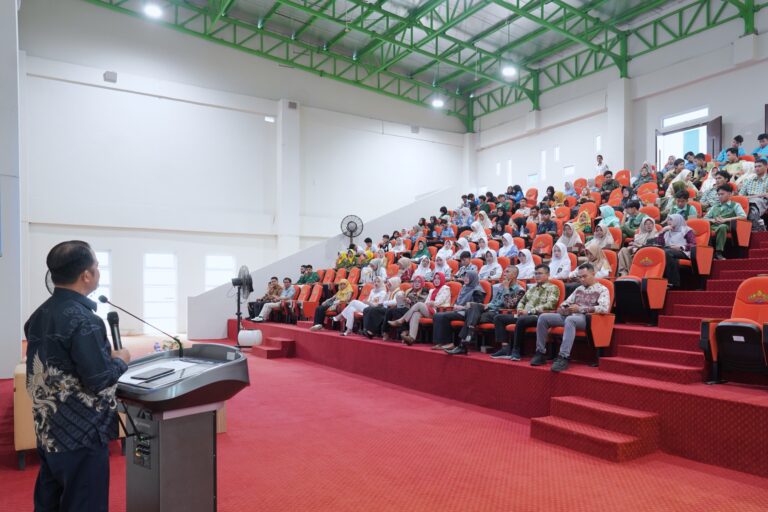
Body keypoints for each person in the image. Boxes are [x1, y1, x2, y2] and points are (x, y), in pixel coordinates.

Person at [25, 241, 131, 512]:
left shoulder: (38, 315)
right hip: (82, 434)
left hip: (49, 431)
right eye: (96, 267)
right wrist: (120, 361)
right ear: (86, 275)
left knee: (50, 502)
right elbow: (98, 379)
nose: (98, 272)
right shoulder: (85, 320)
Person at [532, 263, 610, 372]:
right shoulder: (578, 289)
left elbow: (604, 308)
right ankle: (540, 352)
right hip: (571, 315)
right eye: (580, 277)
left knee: (570, 320)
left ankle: (563, 356)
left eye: (584, 276)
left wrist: (581, 309)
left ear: (593, 274)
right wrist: (564, 308)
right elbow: (566, 303)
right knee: (543, 317)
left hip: (587, 319)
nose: (582, 279)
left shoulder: (602, 289)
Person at [491, 264, 560, 360]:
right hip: (524, 314)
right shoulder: (532, 288)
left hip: (538, 316)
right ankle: (505, 348)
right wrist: (520, 309)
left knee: (522, 319)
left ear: (548, 274)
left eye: (540, 273)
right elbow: (522, 301)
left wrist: (529, 311)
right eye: (536, 274)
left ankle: (516, 350)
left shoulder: (553, 288)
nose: (537, 276)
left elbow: (550, 305)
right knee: (498, 318)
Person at [454, 266, 525, 346]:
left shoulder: (520, 290)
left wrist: (506, 288)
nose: (504, 274)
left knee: (471, 314)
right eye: (504, 272)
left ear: (514, 275)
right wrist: (486, 305)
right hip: (490, 309)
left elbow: (509, 305)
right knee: (473, 306)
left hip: (499, 313)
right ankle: (468, 335)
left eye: (507, 272)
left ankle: (464, 341)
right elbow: (494, 301)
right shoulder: (501, 286)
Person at [388, 272, 451, 345]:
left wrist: (432, 303)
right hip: (431, 310)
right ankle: (411, 338)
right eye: (435, 278)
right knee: (416, 314)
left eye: (439, 278)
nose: (436, 280)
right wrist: (430, 303)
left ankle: (401, 320)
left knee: (419, 304)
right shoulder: (432, 290)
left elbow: (438, 302)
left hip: (440, 311)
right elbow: (427, 302)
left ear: (443, 279)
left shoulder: (445, 289)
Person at [432, 270, 487, 354]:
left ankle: (448, 343)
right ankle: (440, 342)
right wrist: (455, 306)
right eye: (464, 276)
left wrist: (462, 307)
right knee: (437, 315)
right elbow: (458, 301)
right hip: (459, 310)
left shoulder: (478, 290)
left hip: (468, 313)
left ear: (473, 278)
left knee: (443, 316)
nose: (465, 278)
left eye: (468, 277)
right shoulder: (464, 287)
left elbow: (477, 306)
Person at [704, 184, 748, 260]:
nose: (720, 196)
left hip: (728, 225)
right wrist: (713, 220)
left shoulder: (735, 205)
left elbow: (743, 216)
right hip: (714, 225)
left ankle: (718, 252)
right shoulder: (715, 206)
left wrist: (725, 220)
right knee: (704, 230)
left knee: (722, 227)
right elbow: (705, 218)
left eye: (722, 194)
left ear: (730, 194)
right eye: (718, 194)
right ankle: (707, 253)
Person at [382, 275, 429, 342]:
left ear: (422, 283)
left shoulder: (424, 291)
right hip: (406, 307)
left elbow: (422, 303)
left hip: (416, 310)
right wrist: (404, 299)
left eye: (419, 282)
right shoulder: (409, 290)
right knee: (390, 310)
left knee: (399, 311)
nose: (417, 283)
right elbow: (404, 299)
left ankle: (404, 331)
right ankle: (385, 332)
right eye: (415, 281)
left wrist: (411, 301)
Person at [654, 214, 695, 288]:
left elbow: (693, 244)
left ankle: (672, 282)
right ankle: (659, 281)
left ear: (677, 220)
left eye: (671, 220)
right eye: (668, 220)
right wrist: (662, 231)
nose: (669, 222)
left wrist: (681, 247)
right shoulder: (667, 231)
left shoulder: (686, 230)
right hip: (669, 251)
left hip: (683, 252)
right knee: (659, 253)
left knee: (666, 253)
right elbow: (660, 244)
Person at [738, 158, 768, 231]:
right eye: (755, 166)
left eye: (759, 166)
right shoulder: (749, 180)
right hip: (748, 199)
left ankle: (755, 230)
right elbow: (740, 195)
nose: (757, 168)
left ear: (766, 166)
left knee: (752, 206)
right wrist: (758, 195)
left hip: (762, 201)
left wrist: (758, 196)